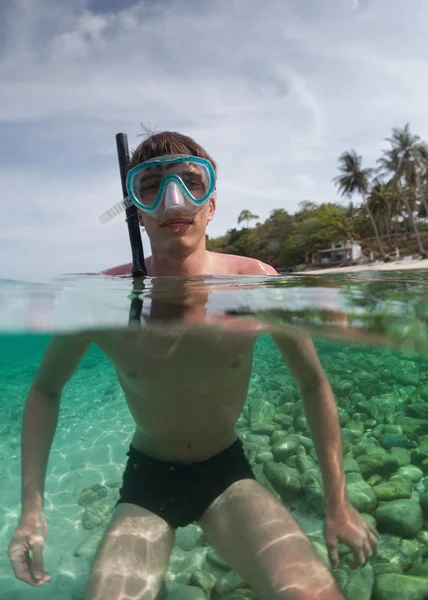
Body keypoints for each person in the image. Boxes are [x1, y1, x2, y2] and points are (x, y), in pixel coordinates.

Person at [8, 131, 378, 600]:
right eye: (151, 187)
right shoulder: (97, 302)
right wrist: (31, 511)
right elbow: (45, 392)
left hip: (226, 473)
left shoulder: (258, 286)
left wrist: (338, 504)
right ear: (135, 209)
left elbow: (312, 385)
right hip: (148, 480)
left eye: (190, 182)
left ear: (213, 204)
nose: (173, 200)